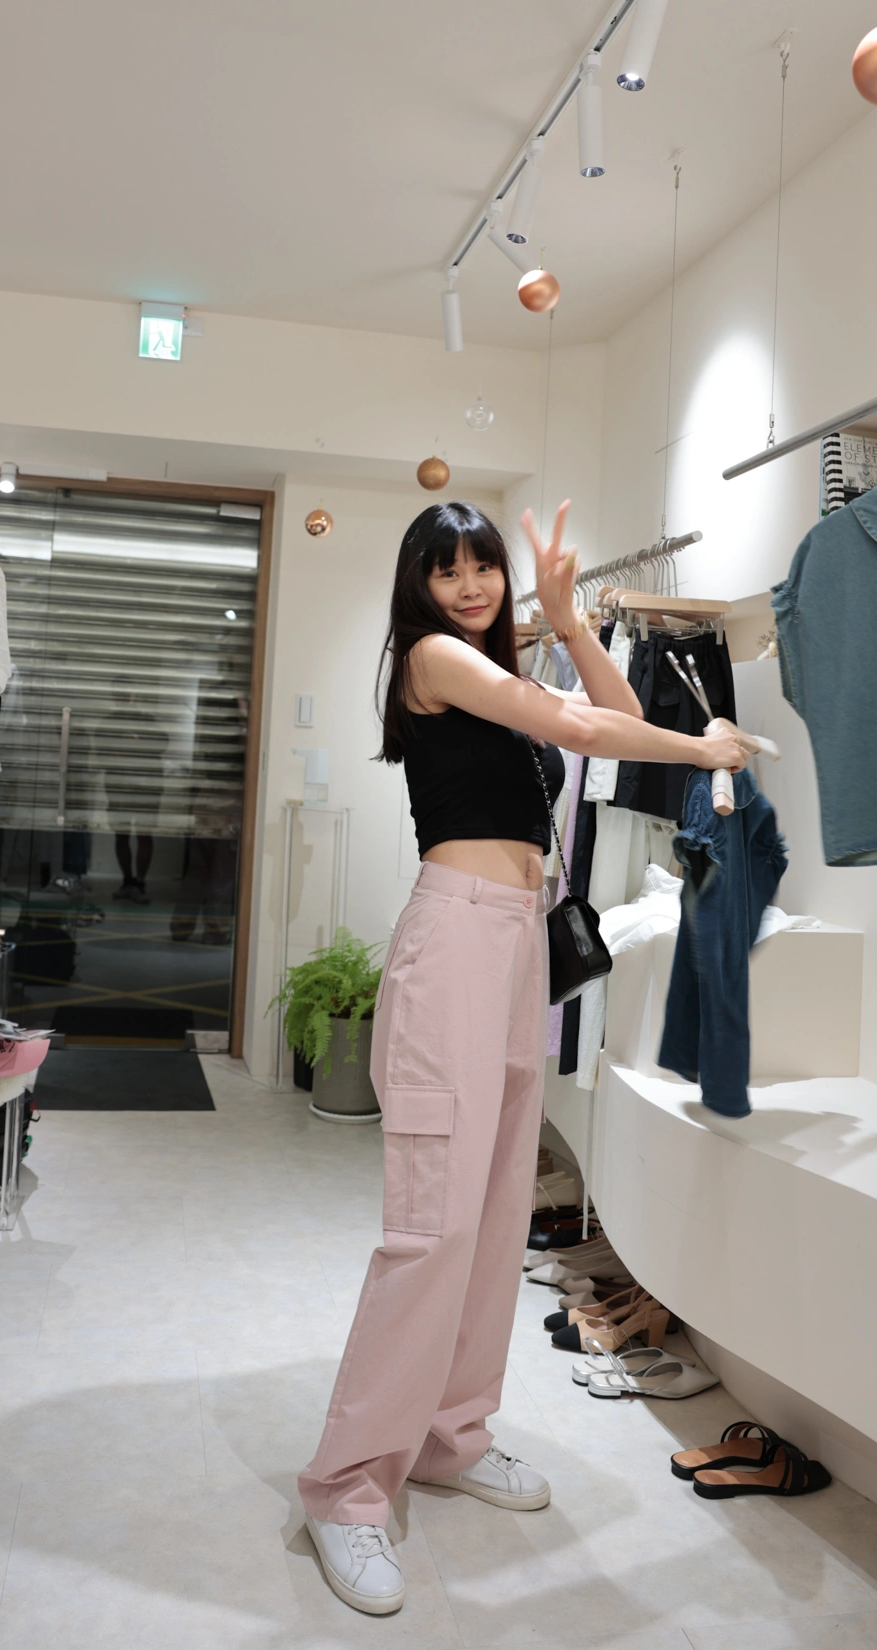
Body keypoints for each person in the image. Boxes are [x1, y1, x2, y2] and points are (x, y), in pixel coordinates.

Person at [298, 499, 746, 1615]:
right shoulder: (433, 659)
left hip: (514, 942)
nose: (469, 586)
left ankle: (451, 1434)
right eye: (446, 570)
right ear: (418, 586)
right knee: (432, 1227)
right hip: (454, 937)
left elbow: (609, 714)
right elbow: (594, 733)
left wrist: (568, 617)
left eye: (483, 568)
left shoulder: (503, 671)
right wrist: (704, 749)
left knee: (498, 1210)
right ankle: (346, 1488)